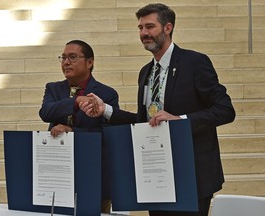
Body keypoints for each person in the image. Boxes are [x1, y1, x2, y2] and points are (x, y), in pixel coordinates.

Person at [80, 3, 235, 216]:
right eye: (140, 28)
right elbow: (146, 122)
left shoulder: (195, 62)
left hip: (192, 173)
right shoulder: (145, 72)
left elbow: (225, 109)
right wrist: (105, 110)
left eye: (149, 27)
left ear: (167, 28)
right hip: (156, 173)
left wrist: (180, 120)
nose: (143, 33)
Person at [39, 39, 119, 213]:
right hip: (57, 172)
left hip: (93, 173)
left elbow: (106, 135)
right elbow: (45, 113)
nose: (66, 62)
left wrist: (72, 132)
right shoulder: (53, 89)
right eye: (63, 58)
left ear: (90, 62)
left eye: (73, 57)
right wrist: (75, 101)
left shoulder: (107, 94)